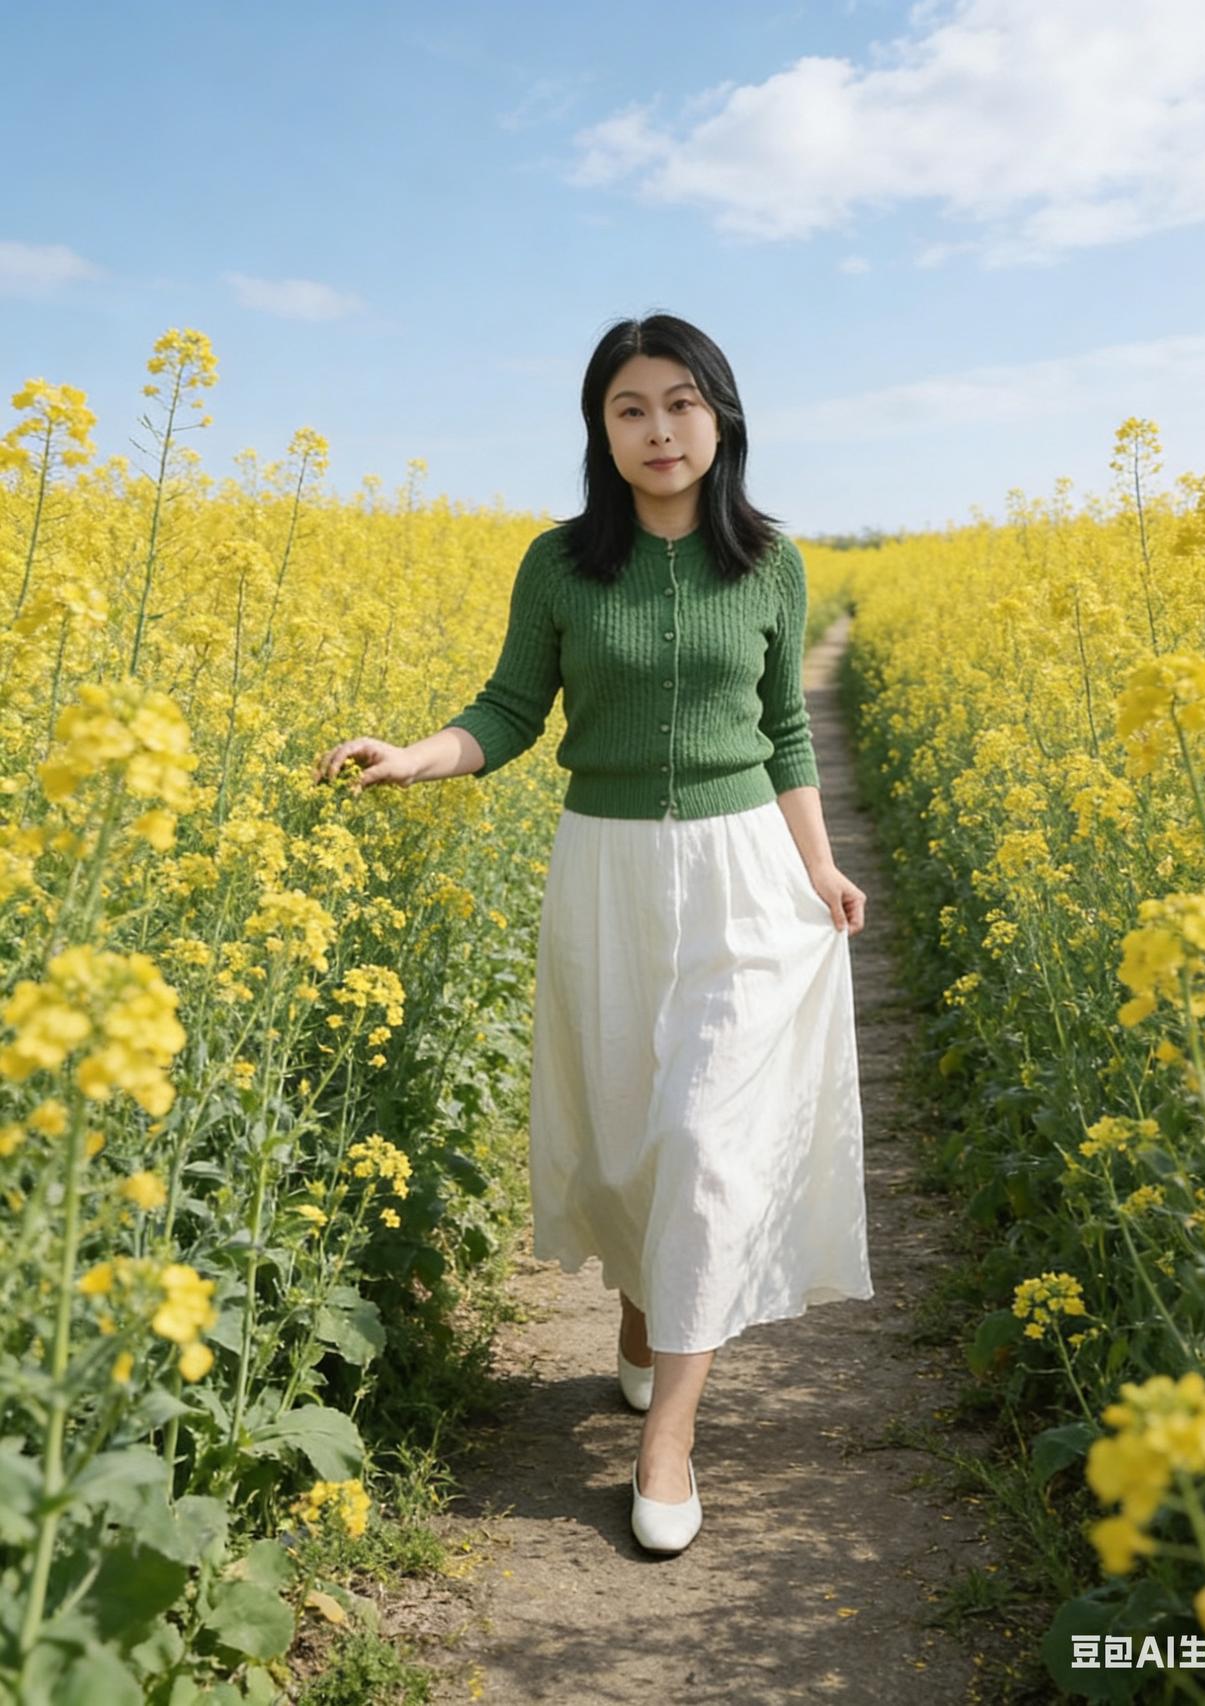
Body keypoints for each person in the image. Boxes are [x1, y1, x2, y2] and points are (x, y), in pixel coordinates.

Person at [313, 312, 872, 1555]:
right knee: (627, 1137)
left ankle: (666, 1433)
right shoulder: (560, 563)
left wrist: (820, 868)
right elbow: (510, 708)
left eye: (679, 402)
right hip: (605, 870)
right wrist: (417, 757)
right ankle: (645, 1302)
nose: (658, 429)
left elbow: (784, 730)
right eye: (630, 408)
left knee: (702, 1136)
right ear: (599, 430)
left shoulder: (768, 561)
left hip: (741, 875)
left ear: (719, 416)